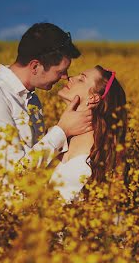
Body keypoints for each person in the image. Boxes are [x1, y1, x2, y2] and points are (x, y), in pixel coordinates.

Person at [0, 23, 92, 171]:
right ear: (35, 66)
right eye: (60, 71)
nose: (65, 77)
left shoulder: (32, 99)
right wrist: (62, 130)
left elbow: (37, 160)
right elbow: (15, 170)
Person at [50, 65, 127, 203]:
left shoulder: (108, 148)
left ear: (94, 98)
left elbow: (112, 207)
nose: (71, 78)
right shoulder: (54, 134)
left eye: (82, 79)